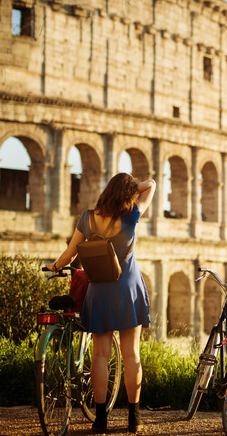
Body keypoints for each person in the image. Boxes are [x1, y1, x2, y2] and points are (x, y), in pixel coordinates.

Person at [46, 173, 155, 434]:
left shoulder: (88, 217)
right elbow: (150, 185)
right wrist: (131, 189)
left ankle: (101, 419)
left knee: (100, 355)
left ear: (106, 191)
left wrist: (55, 265)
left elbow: (71, 252)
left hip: (98, 291)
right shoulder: (131, 216)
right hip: (127, 288)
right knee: (131, 355)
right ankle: (134, 418)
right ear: (128, 195)